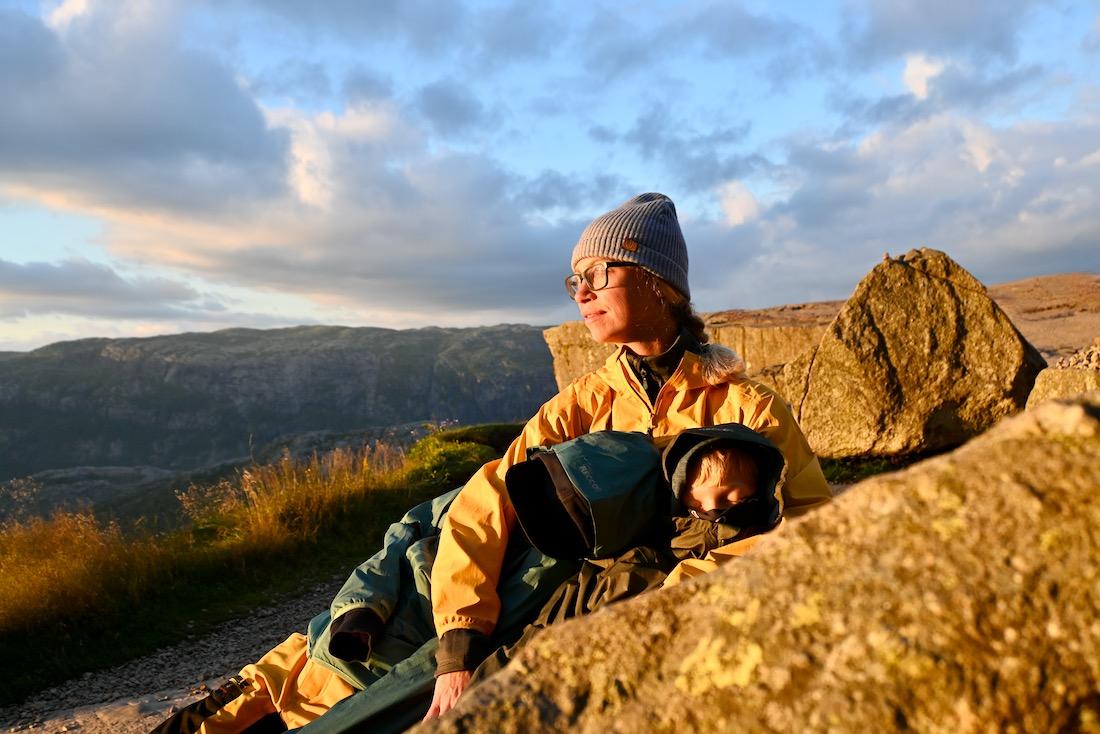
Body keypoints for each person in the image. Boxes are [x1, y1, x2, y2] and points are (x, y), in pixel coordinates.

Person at [425, 192, 831, 718]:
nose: (582, 293)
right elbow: (488, 499)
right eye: (576, 280)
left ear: (656, 282)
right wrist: (460, 644)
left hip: (694, 633)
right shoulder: (580, 405)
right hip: (581, 613)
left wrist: (664, 601)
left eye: (598, 273)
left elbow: (807, 524)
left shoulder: (748, 407)